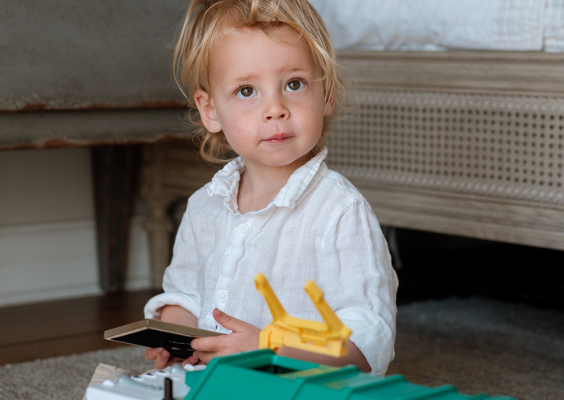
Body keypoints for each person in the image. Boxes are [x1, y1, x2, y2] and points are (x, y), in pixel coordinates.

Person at [142, 0, 398, 376]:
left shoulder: (341, 211)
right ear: (210, 110)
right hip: (213, 378)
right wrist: (177, 337)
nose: (275, 108)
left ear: (325, 95)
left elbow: (367, 341)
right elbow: (184, 295)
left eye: (293, 84)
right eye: (247, 91)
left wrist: (271, 348)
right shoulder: (204, 207)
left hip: (299, 386)